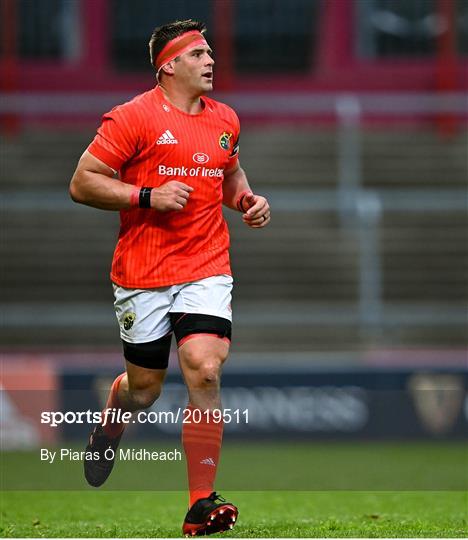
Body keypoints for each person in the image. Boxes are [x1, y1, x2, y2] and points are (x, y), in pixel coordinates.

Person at [69, 19, 270, 536]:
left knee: (204, 368)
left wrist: (246, 200)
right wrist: (146, 195)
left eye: (210, 53)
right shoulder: (131, 118)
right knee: (145, 391)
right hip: (143, 271)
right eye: (199, 53)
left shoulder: (225, 118)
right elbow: (82, 183)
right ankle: (113, 417)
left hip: (206, 264)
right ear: (169, 65)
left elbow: (228, 175)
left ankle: (200, 503)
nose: (210, 61)